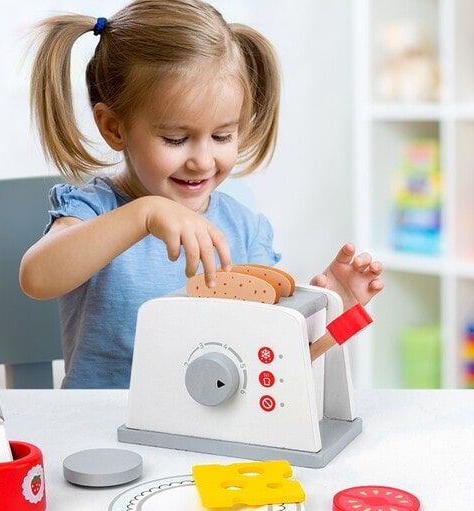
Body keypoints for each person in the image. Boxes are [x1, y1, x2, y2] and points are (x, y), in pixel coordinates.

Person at [20, 0, 383, 389]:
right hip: (105, 419)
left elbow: (276, 363)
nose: (203, 161)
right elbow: (36, 278)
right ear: (114, 128)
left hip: (214, 420)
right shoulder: (93, 209)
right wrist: (144, 214)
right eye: (176, 139)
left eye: (222, 136)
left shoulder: (245, 229)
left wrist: (333, 313)